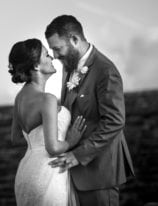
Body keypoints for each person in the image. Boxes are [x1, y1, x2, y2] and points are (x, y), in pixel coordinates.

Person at [45, 15, 135, 206]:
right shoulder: (69, 67)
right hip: (73, 174)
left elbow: (114, 121)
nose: (54, 55)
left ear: (74, 40)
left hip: (99, 173)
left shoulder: (106, 71)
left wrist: (78, 155)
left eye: (57, 48)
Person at [9, 38, 86, 206]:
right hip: (48, 172)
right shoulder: (47, 100)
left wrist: (36, 143)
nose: (51, 57)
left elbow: (15, 138)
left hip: (26, 172)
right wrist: (71, 140)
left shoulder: (19, 98)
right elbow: (53, 148)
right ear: (36, 66)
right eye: (46, 55)